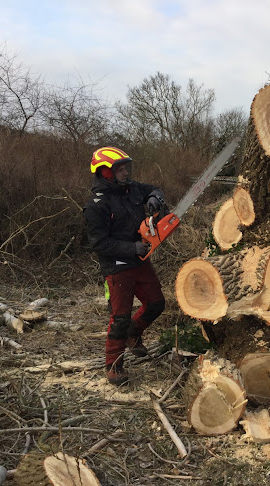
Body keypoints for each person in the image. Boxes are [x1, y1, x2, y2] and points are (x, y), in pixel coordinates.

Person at [83, 146, 166, 386]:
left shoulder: (131, 189)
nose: (125, 171)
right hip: (118, 265)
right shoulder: (97, 205)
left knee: (156, 303)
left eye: (125, 166)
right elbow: (98, 243)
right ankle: (113, 364)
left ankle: (133, 333)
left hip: (140, 259)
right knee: (119, 317)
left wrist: (154, 197)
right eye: (119, 168)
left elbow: (153, 189)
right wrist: (131, 249)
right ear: (105, 171)